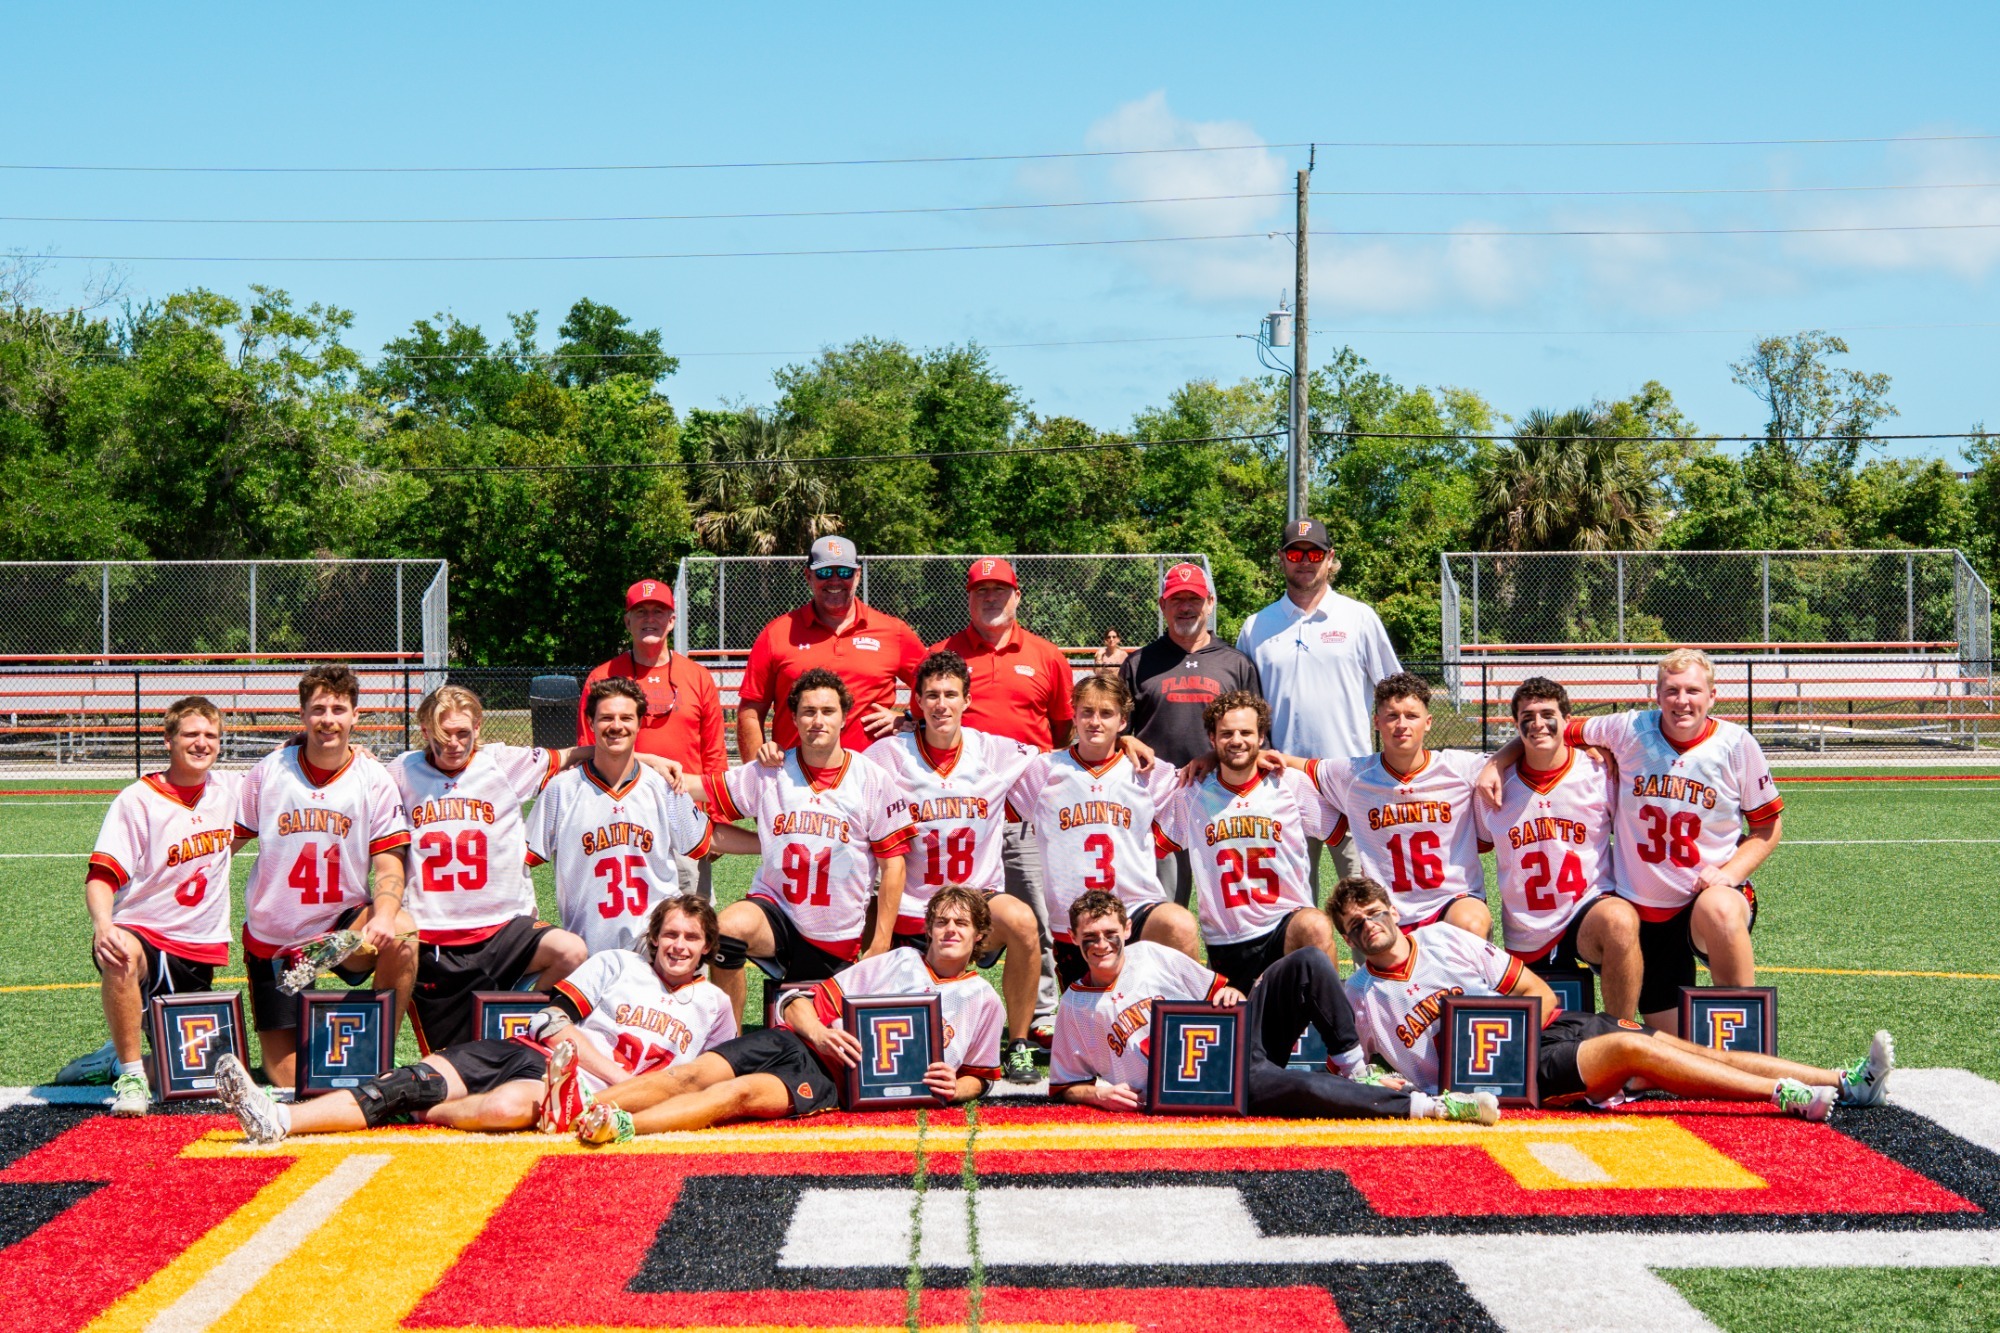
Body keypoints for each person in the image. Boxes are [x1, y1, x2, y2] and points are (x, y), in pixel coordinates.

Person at [1330, 875, 1892, 1119]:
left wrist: (1500, 1032)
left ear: (1393, 912)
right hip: (1520, 1083)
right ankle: (1781, 1094)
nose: (1368, 927)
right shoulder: (1356, 997)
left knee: (1688, 1050)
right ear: (1348, 940)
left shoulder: (1445, 938)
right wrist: (1390, 1081)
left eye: (1374, 914)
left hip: (1544, 1038)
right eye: (1354, 926)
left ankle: (1844, 1082)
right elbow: (1346, 1074)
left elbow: (1536, 991)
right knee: (1637, 1055)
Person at [214, 894, 738, 1142]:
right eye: (671, 934)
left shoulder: (713, 1006)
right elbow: (552, 1021)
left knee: (502, 1109)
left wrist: (620, 1089)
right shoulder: (619, 963)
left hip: (580, 1091)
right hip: (535, 1056)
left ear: (708, 947)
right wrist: (616, 1071)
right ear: (654, 936)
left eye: (691, 938)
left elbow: (710, 1077)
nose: (678, 946)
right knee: (405, 1081)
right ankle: (278, 1119)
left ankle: (426, 1114)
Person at [1479, 648, 1784, 1036]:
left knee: (1721, 909)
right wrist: (1497, 761)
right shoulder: (1628, 728)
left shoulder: (1737, 744)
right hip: (1647, 911)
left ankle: (1747, 1041)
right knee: (1671, 1043)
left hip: (1702, 899)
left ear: (1713, 695)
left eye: (1693, 690)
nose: (1682, 701)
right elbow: (1546, 730)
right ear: (1656, 695)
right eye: (1672, 691)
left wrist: (1730, 874)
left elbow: (1767, 827)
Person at [574, 887, 1004, 1140]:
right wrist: (818, 1032)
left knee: (734, 1097)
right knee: (691, 1075)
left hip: (830, 1082)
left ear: (979, 935)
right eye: (943, 921)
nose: (950, 931)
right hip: (794, 1043)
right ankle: (574, 1110)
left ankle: (621, 1126)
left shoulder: (983, 1000)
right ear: (927, 927)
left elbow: (979, 1077)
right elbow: (796, 1002)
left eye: (961, 924)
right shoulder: (895, 962)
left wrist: (955, 1088)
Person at [1048, 891, 1494, 1123]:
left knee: (1308, 962)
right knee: (1302, 1089)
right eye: (1089, 938)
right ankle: (1432, 1107)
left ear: (1126, 929)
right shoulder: (1073, 1006)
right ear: (1075, 939)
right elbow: (1063, 1084)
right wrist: (1097, 1093)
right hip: (1203, 1088)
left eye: (1109, 933)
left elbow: (1220, 992)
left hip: (1232, 1041)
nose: (1101, 945)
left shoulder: (1151, 954)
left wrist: (1229, 995)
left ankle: (1355, 1067)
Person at [864, 649, 1046, 1083]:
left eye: (950, 694)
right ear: (917, 704)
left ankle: (1018, 1042)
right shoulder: (886, 754)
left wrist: (1125, 740)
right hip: (910, 901)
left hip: (975, 897)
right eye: (931, 696)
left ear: (967, 700)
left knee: (1022, 920)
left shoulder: (996, 752)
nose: (941, 704)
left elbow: (1065, 763)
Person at [696, 668, 918, 1023]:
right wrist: (646, 770)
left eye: (828, 711)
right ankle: (726, 1039)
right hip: (778, 912)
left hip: (835, 933)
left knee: (825, 1041)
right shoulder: (772, 771)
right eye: (808, 712)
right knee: (726, 931)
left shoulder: (871, 778)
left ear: (845, 718)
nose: (818, 720)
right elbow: (702, 788)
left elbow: (894, 864)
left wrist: (879, 942)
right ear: (794, 719)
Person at [232, 664, 416, 1089]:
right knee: (287, 1079)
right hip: (276, 935)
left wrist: (385, 914)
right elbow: (226, 843)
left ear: (355, 715)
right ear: (302, 715)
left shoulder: (373, 779)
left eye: (338, 708)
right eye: (318, 709)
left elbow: (390, 862)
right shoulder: (269, 771)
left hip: (342, 925)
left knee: (403, 933)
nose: (328, 719)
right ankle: (317, 1020)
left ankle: (376, 1052)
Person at [916, 558, 1077, 1037]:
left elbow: (1063, 732)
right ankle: (939, 1015)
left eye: (1000, 590)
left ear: (1017, 595)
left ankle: (1039, 1020)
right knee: (939, 922)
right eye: (981, 590)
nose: (991, 598)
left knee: (1037, 923)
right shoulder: (941, 654)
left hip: (1023, 819)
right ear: (968, 597)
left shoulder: (1047, 656)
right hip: (955, 821)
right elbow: (921, 718)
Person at [389, 685, 588, 1054]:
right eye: (444, 732)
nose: (454, 742)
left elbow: (575, 754)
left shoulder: (501, 762)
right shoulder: (401, 770)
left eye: (463, 732)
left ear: (478, 728)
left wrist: (646, 759)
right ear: (425, 728)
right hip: (435, 936)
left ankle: (515, 1006)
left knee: (571, 951)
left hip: (503, 928)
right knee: (451, 1061)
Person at [65, 697, 239, 1114]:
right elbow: (101, 876)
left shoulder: (231, 790)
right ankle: (129, 1075)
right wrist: (104, 925)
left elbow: (289, 762)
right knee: (120, 950)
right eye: (191, 734)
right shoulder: (137, 800)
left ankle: (110, 1061)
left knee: (187, 1076)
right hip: (144, 931)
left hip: (198, 944)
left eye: (211, 736)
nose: (201, 743)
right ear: (168, 739)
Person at [528, 678, 757, 957]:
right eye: (606, 718)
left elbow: (707, 837)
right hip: (588, 949)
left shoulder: (661, 786)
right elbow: (523, 858)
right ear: (590, 722)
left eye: (626, 717)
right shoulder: (561, 790)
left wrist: (768, 842)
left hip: (654, 947)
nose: (616, 726)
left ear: (639, 724)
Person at [1005, 674, 1201, 992]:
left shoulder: (1147, 771)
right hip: (1073, 914)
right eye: (1087, 712)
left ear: (1123, 721)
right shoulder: (1044, 770)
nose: (1095, 722)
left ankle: (1188, 1020)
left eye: (1106, 714)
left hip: (1135, 906)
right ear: (1074, 715)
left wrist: (1211, 757)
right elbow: (989, 799)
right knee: (1091, 1017)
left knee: (1178, 923)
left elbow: (1198, 789)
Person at [1235, 519, 1402, 886]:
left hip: (1352, 780)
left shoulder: (1359, 618)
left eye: (1315, 553)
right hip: (1283, 782)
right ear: (1281, 559)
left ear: (1330, 558)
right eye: (1296, 552)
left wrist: (1394, 763)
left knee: (1367, 901)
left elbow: (1396, 693)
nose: (1305, 561)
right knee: (1292, 908)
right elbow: (1242, 709)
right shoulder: (1255, 626)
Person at [1470, 678, 1642, 1019]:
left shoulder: (1599, 771)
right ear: (1515, 724)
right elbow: (1479, 845)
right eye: (1527, 716)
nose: (1537, 724)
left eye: (1547, 713)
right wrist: (1495, 764)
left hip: (1586, 906)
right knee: (1540, 1041)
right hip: (1527, 927)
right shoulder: (1492, 784)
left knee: (1619, 920)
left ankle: (1621, 1032)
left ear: (1567, 719)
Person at [1154, 691, 1339, 991]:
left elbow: (1338, 827)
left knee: (1315, 924)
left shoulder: (1289, 783)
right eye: (1227, 733)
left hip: (1285, 928)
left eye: (1246, 732)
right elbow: (1156, 844)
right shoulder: (1192, 793)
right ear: (1212, 740)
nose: (1237, 740)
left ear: (1262, 736)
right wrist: (1127, 740)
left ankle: (1331, 1033)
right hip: (1228, 939)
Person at [1289, 672, 1492, 941]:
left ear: (1428, 722)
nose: (1402, 724)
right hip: (1388, 908)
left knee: (1472, 924)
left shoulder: (1459, 768)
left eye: (1411, 715)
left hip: (1451, 899)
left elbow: (1522, 752)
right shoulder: (1354, 775)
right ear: (1377, 722)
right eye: (1392, 715)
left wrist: (1497, 765)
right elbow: (1294, 764)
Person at [1120, 562, 1263, 907]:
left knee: (1235, 909)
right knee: (1163, 910)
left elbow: (1258, 736)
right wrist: (1125, 739)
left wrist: (1216, 756)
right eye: (1177, 599)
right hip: (1160, 803)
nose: (1186, 607)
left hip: (1225, 800)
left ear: (1210, 603)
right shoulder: (1139, 663)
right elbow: (1114, 731)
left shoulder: (1236, 663)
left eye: (1194, 599)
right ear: (1162, 605)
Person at [578, 578, 727, 900]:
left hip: (685, 819)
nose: (650, 619)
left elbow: (714, 752)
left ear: (671, 620)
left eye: (658, 611)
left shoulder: (697, 677)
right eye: (640, 611)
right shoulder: (602, 677)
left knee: (691, 922)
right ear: (627, 621)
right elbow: (588, 752)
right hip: (621, 821)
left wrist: (715, 817)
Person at [736, 535, 926, 757]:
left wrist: (907, 718)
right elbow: (750, 712)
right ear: (808, 576)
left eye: (844, 572)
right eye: (825, 572)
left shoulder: (893, 631)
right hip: (797, 780)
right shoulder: (777, 634)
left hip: (871, 778)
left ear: (857, 574)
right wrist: (755, 779)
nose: (835, 581)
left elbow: (938, 687)